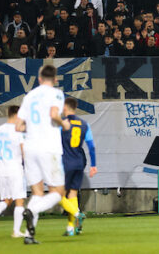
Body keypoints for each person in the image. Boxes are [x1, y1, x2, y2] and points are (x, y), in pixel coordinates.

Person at [19, 64, 78, 245]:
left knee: (37, 192)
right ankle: (32, 211)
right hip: (48, 148)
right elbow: (54, 114)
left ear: (39, 79)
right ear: (55, 79)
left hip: (30, 147)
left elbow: (19, 126)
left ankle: (29, 236)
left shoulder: (29, 96)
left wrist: (33, 128)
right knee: (58, 192)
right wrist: (64, 123)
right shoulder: (56, 94)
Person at [0, 105, 27, 238]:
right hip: (15, 170)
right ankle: (16, 231)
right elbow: (24, 152)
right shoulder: (18, 131)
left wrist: (4, 159)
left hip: (1, 170)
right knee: (19, 200)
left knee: (6, 200)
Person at [60, 97, 97, 236]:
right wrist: (93, 165)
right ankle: (71, 228)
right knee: (73, 194)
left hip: (65, 162)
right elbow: (91, 146)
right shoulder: (84, 124)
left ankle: (77, 213)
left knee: (57, 194)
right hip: (79, 162)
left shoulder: (62, 123)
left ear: (65, 108)